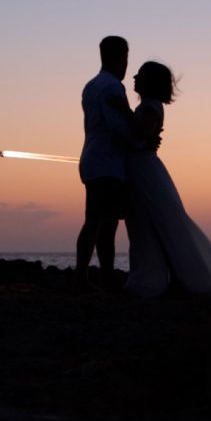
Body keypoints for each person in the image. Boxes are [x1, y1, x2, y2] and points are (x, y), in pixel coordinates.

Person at [123, 61, 211, 298]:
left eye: (140, 75)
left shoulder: (152, 106)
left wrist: (121, 111)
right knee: (146, 225)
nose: (134, 78)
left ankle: (160, 280)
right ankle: (151, 278)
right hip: (141, 167)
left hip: (144, 171)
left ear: (150, 82)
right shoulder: (148, 107)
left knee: (158, 222)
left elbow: (139, 134)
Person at [76, 36, 139, 291]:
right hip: (108, 162)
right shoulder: (113, 87)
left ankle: (83, 274)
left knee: (93, 219)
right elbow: (117, 128)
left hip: (92, 158)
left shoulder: (91, 86)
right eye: (125, 57)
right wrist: (139, 138)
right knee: (107, 222)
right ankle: (104, 276)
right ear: (119, 57)